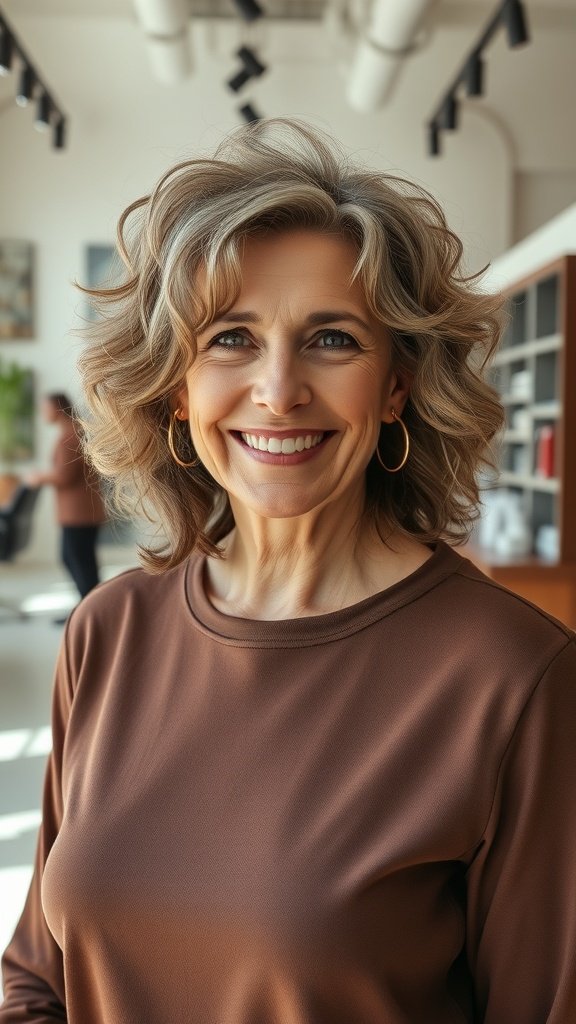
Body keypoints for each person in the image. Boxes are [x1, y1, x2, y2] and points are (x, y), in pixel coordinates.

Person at [2, 118, 575, 1024]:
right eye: (231, 337)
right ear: (176, 386)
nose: (277, 389)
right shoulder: (109, 631)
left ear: (397, 385)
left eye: (334, 338)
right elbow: (35, 972)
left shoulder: (512, 677)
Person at [25, 392, 106, 607]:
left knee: (79, 562)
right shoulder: (72, 432)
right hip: (79, 512)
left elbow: (64, 476)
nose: (42, 413)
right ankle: (88, 608)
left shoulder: (71, 435)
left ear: (57, 408)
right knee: (78, 560)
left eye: (45, 408)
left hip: (79, 513)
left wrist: (39, 477)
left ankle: (91, 610)